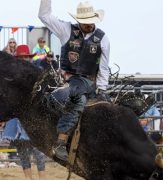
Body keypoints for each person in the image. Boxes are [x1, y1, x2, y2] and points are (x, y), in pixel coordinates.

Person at [39, 0, 110, 161]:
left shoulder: (103, 39)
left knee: (108, 109)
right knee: (78, 100)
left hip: (90, 82)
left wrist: (102, 89)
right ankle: (60, 142)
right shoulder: (66, 30)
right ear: (78, 20)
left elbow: (104, 67)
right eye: (83, 22)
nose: (86, 24)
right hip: (71, 81)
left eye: (88, 21)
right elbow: (44, 15)